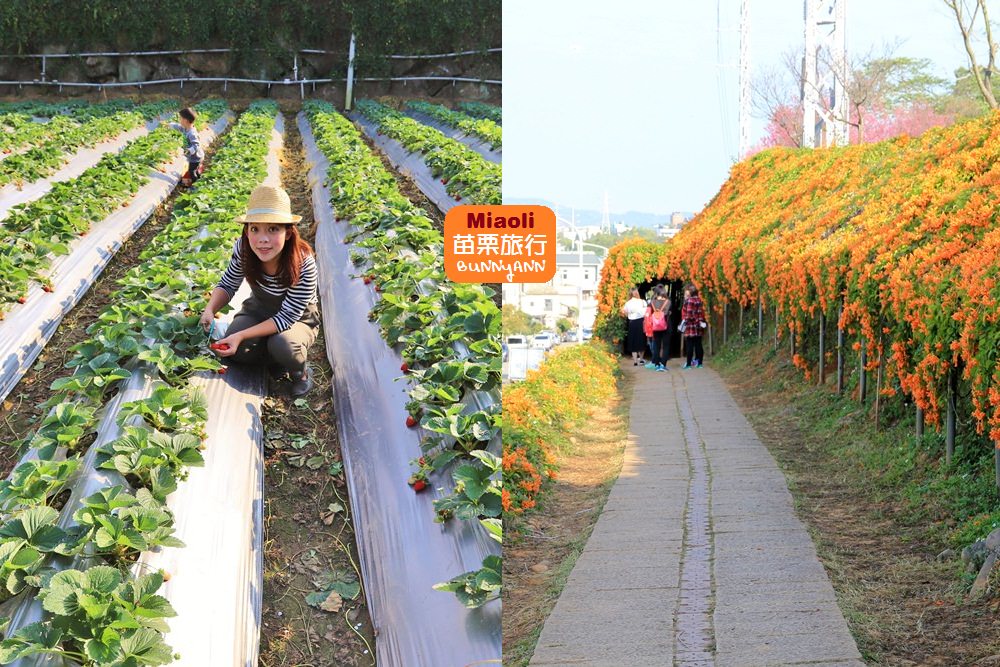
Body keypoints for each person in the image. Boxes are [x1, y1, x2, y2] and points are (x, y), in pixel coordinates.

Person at [200, 185, 320, 396]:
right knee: (236, 353)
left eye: (272, 229)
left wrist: (242, 335)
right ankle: (272, 356)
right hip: (259, 309)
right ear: (247, 231)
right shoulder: (244, 248)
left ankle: (300, 372)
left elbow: (286, 317)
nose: (262, 239)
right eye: (255, 229)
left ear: (289, 232)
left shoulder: (304, 263)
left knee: (283, 344)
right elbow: (229, 283)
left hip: (298, 318)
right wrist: (210, 309)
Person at [166, 107, 204, 186]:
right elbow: (178, 127)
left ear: (185, 120)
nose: (180, 120)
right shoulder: (185, 128)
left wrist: (189, 150)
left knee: (191, 171)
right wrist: (169, 125)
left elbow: (196, 145)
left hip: (195, 157)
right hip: (193, 156)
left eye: (181, 118)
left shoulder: (192, 133)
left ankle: (195, 184)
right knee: (194, 169)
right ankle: (198, 178)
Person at [679, 284, 708, 368]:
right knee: (698, 345)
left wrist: (684, 322)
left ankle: (688, 364)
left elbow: (688, 315)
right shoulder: (699, 300)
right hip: (699, 326)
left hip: (691, 326)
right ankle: (700, 363)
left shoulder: (689, 301)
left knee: (689, 345)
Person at [620, 287, 648, 366]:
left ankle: (635, 361)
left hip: (632, 323)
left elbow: (624, 312)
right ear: (637, 293)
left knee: (633, 341)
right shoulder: (642, 302)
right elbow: (646, 312)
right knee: (642, 340)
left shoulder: (628, 303)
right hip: (641, 322)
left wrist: (630, 313)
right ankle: (641, 360)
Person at [648, 284, 671, 371]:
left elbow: (649, 312)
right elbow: (668, 312)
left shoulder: (652, 302)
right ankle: (663, 365)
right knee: (665, 346)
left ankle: (657, 364)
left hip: (655, 326)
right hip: (666, 325)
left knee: (656, 346)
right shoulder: (668, 302)